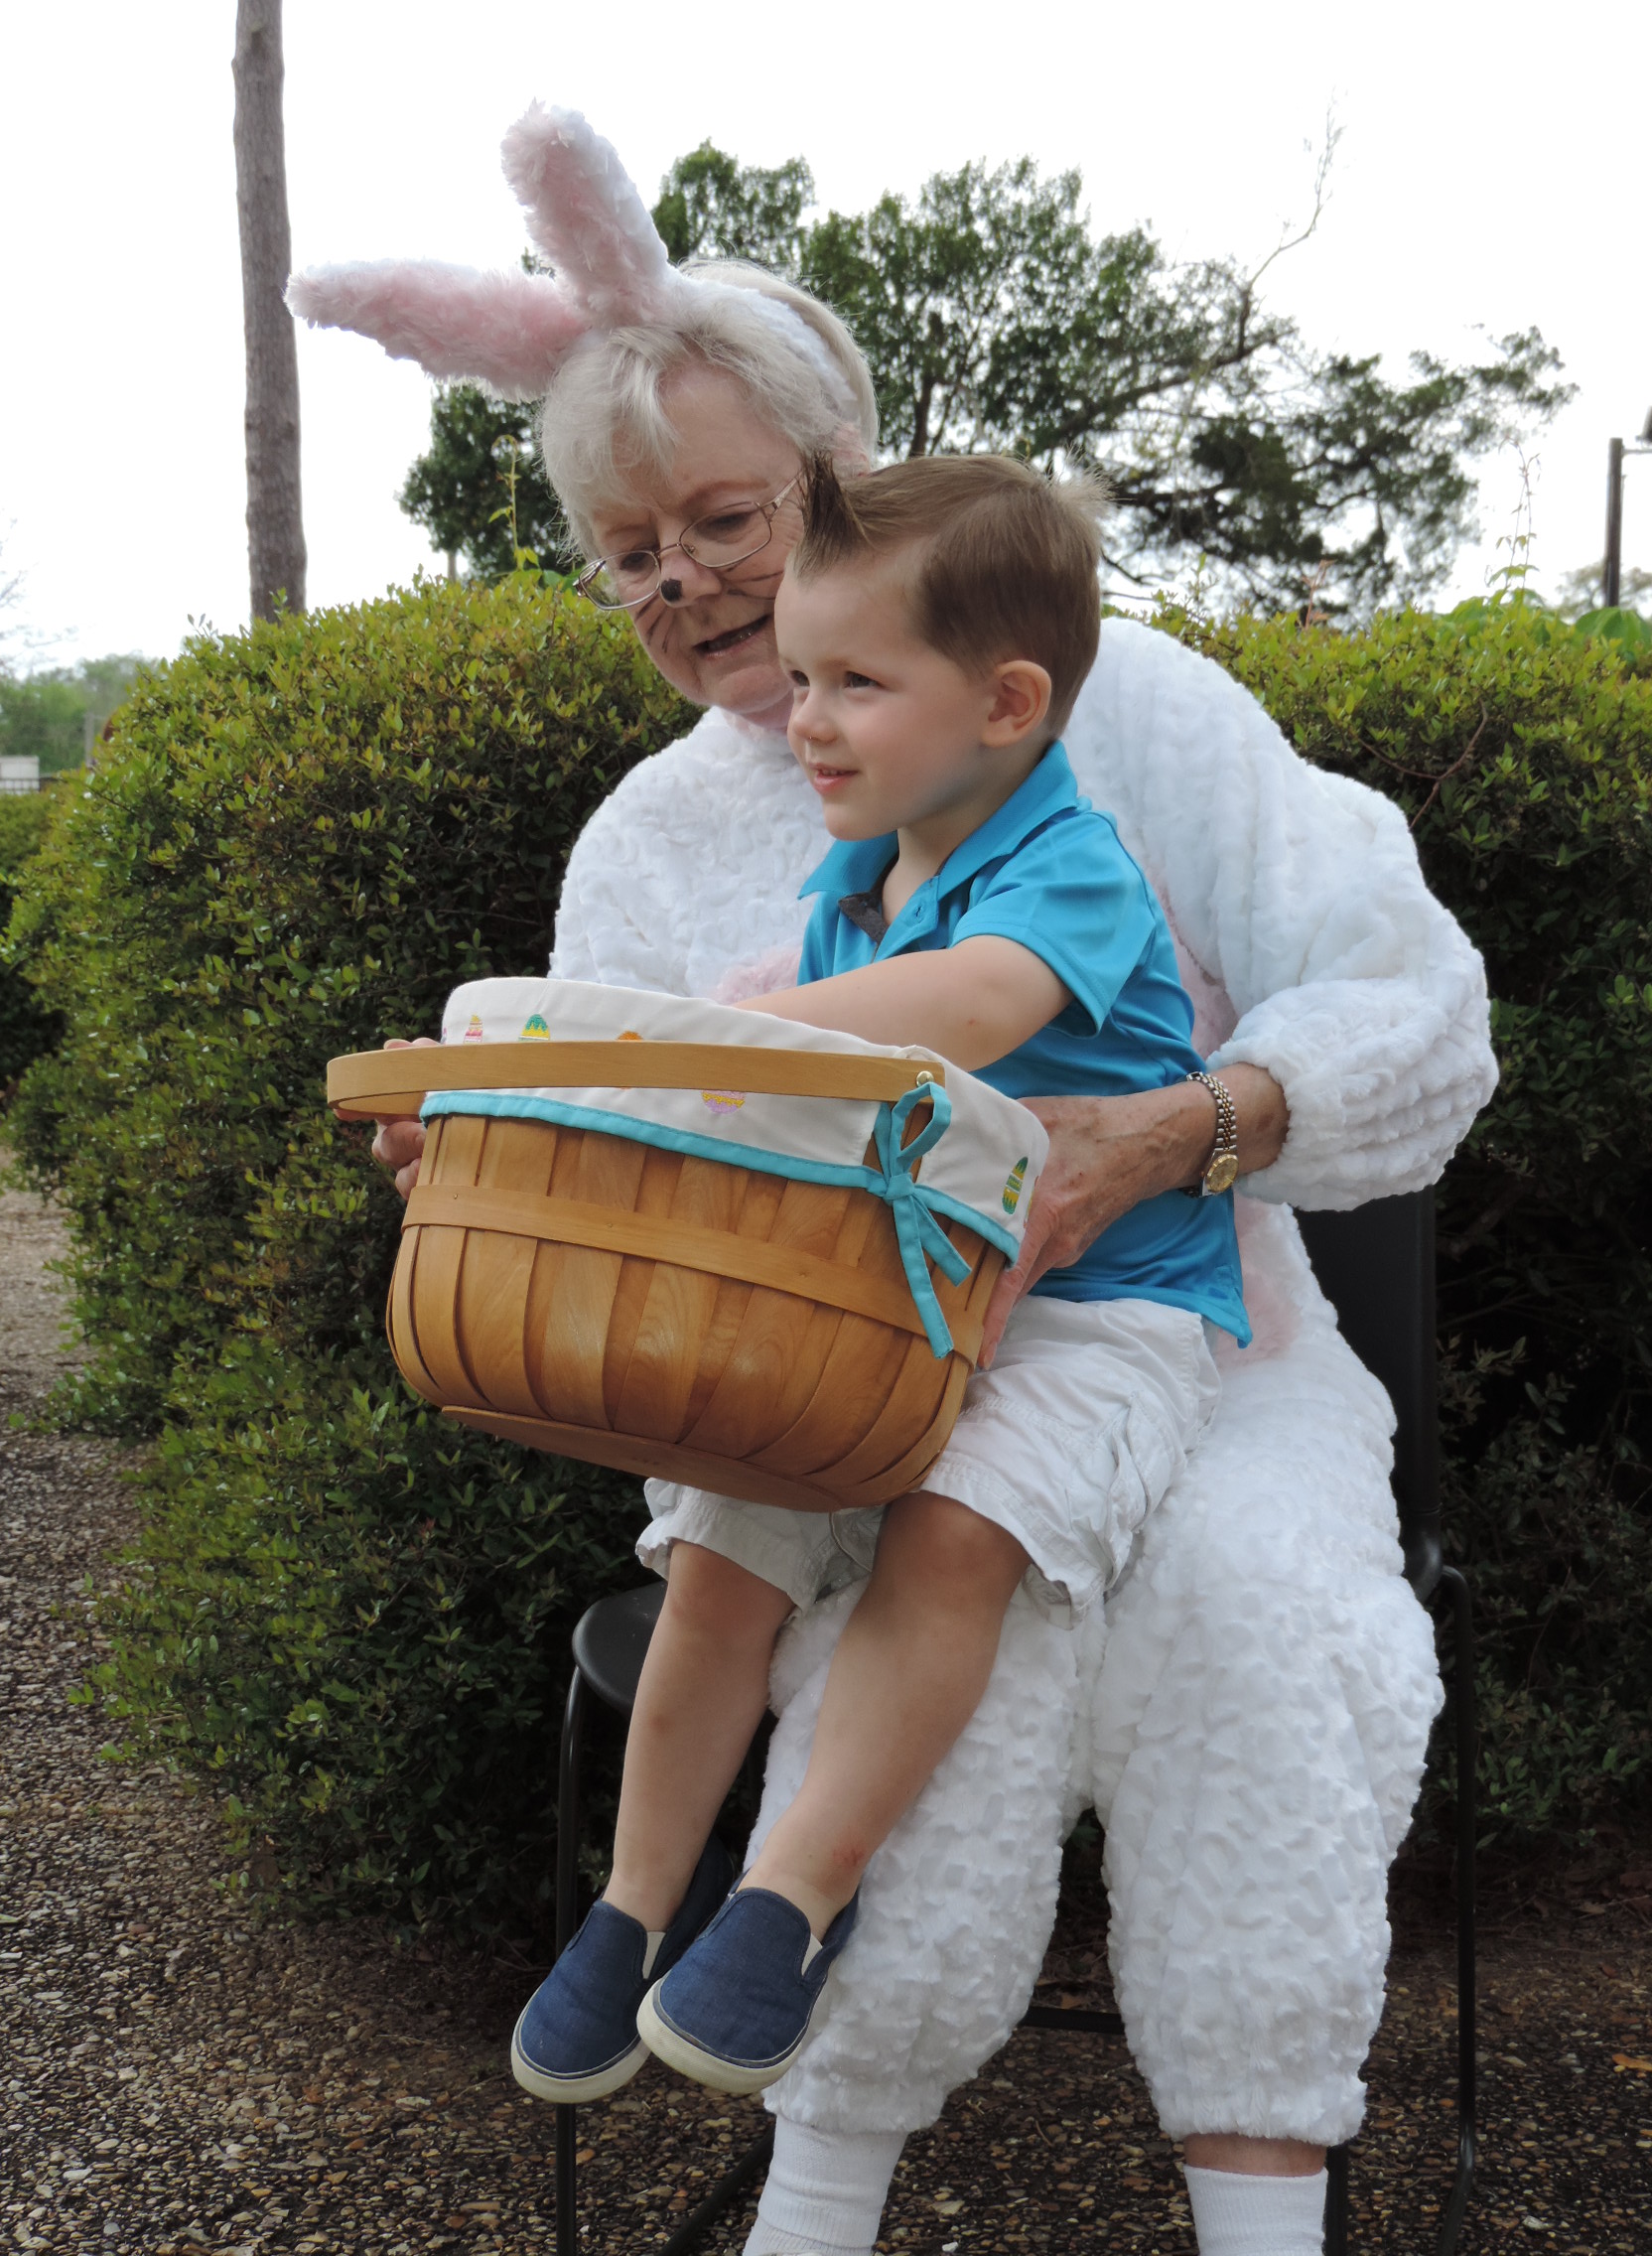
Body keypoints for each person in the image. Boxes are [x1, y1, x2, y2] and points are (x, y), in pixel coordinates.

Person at [293, 104, 1496, 2256]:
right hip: (828, 1377)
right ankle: (814, 2169)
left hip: (1186, 1341)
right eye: (630, 550)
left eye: (726, 516)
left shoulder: (1137, 720)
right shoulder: (650, 847)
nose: (686, 581)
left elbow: (1412, 998)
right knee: (930, 1608)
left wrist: (1191, 1122)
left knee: (1248, 1602)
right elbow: (621, 1146)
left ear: (840, 479)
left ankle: (1260, 2199)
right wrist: (490, 1152)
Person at [509, 450, 1249, 2107]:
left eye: (855, 680)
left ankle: (793, 1896)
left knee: (958, 1528)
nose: (804, 714)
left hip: (1096, 1313)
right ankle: (632, 1904)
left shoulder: (1070, 864)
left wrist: (675, 1044)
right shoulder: (848, 884)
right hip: (896, 1294)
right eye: (802, 669)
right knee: (725, 1529)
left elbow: (972, 1012)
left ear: (1005, 702)